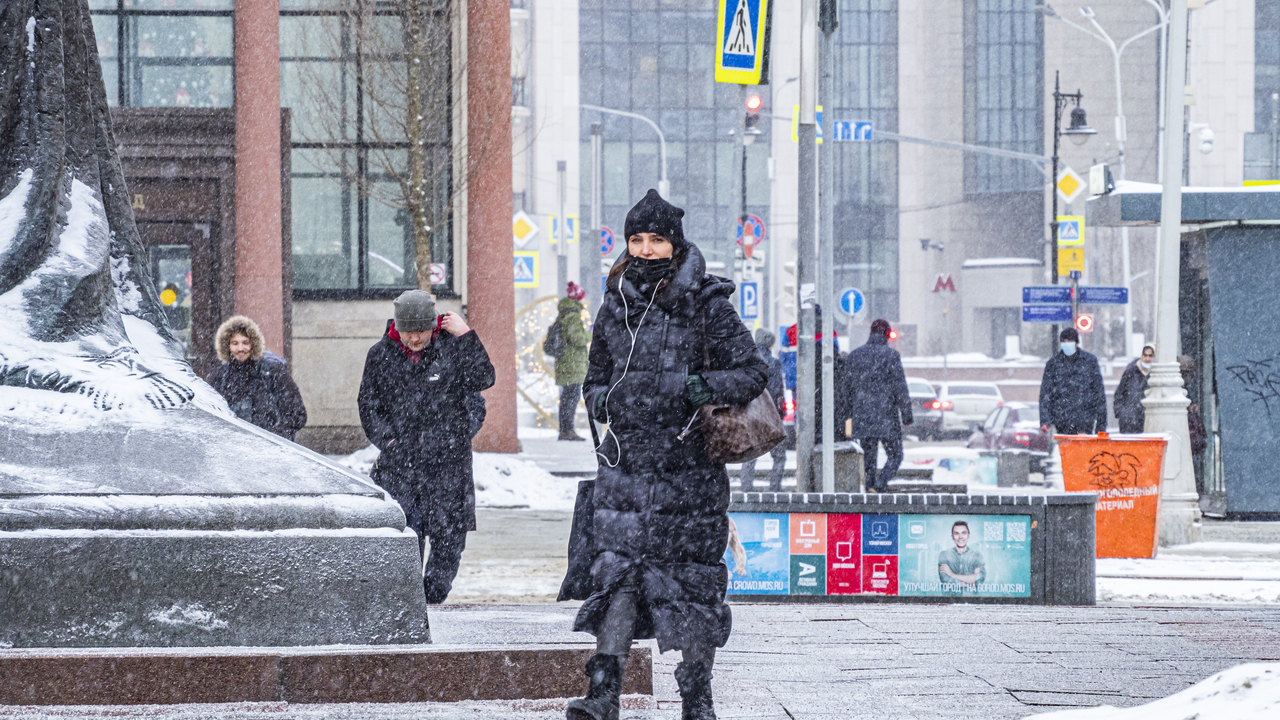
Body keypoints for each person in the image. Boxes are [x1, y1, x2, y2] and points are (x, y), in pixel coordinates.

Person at [568, 189, 767, 720]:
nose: (646, 248)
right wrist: (605, 398)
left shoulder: (707, 303)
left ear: (674, 244)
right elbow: (593, 378)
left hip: (689, 471)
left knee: (692, 588)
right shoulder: (615, 305)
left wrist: (698, 387)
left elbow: (752, 372)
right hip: (626, 469)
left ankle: (696, 698)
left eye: (657, 239)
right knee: (620, 580)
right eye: (637, 239)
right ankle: (603, 694)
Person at [357, 290, 495, 605]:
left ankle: (433, 598)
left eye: (422, 331)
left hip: (450, 464)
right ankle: (409, 602)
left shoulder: (452, 348)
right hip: (400, 465)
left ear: (434, 326)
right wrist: (389, 441)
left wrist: (466, 335)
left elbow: (484, 380)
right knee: (406, 535)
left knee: (449, 538)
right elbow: (369, 405)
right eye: (409, 332)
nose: (416, 338)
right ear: (398, 327)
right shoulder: (379, 355)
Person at [840, 319, 913, 493]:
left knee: (868, 458)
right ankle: (880, 485)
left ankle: (870, 487)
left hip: (862, 416)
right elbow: (900, 387)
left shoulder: (855, 356)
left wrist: (846, 415)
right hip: (887, 416)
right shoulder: (892, 356)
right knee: (895, 455)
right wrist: (906, 415)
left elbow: (846, 389)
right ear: (887, 334)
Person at [210, 315, 308, 441]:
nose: (240, 348)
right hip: (234, 453)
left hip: (270, 454)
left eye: (245, 342)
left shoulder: (272, 371)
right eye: (235, 343)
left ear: (254, 343)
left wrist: (273, 437)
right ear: (227, 346)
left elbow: (297, 414)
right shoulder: (221, 376)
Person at [738, 329, 787, 492]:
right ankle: (774, 488)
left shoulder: (746, 363)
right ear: (771, 344)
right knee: (779, 456)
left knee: (750, 455)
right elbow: (778, 392)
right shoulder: (774, 364)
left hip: (752, 415)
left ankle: (746, 488)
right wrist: (780, 414)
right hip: (771, 416)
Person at [1038, 328, 1108, 436]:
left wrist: (1101, 425)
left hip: (1085, 420)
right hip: (1062, 421)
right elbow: (1045, 394)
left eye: (1069, 341)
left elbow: (1099, 394)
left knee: (1084, 451)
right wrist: (1045, 420)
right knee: (1067, 451)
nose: (1066, 345)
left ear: (1076, 343)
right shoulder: (1053, 364)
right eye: (1064, 342)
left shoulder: (1089, 362)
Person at [554, 281, 592, 441]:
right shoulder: (573, 315)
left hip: (567, 363)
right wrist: (591, 334)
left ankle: (566, 429)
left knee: (567, 398)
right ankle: (567, 430)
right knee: (571, 397)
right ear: (577, 298)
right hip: (572, 364)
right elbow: (576, 338)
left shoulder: (564, 313)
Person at [1113, 344, 1156, 433]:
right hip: (1129, 421)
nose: (1147, 359)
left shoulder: (1155, 373)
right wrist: (1122, 414)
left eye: (1150, 356)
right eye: (1145, 355)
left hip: (1147, 420)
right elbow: (1119, 393)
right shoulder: (1131, 371)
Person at [938, 520, 985, 591]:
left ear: (969, 535)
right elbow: (946, 581)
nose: (960, 537)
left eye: (964, 533)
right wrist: (971, 581)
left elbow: (979, 579)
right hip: (949, 599)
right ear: (952, 537)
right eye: (956, 533)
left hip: (973, 600)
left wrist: (953, 575)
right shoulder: (944, 555)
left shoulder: (977, 555)